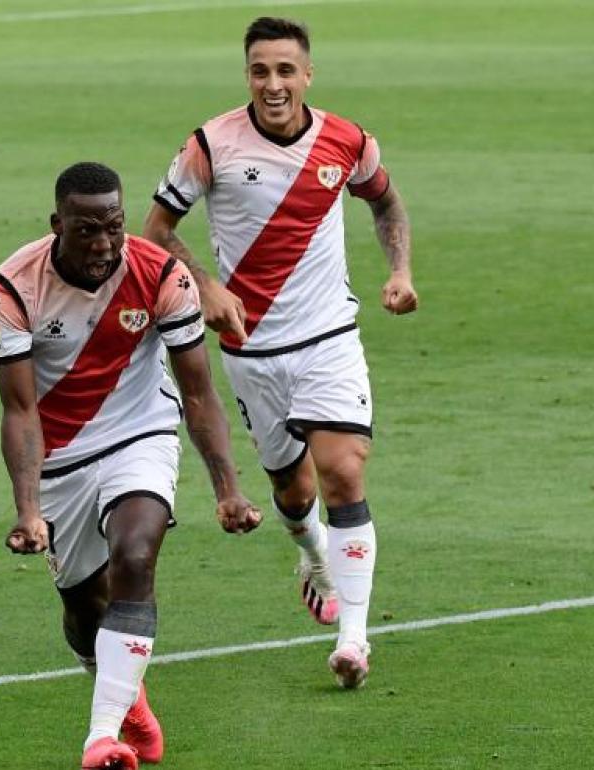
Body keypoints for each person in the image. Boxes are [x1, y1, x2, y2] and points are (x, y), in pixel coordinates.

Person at [142, 16, 418, 690]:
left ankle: (354, 639)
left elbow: (386, 206)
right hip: (252, 350)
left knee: (343, 472)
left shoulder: (347, 140)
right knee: (293, 494)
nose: (273, 83)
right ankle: (314, 555)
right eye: (261, 71)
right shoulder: (211, 145)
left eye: (285, 70)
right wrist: (205, 285)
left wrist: (400, 271)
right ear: (247, 76)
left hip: (329, 338)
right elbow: (154, 233)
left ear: (308, 75)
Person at [0, 161, 261, 769]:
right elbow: (20, 408)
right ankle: (128, 702)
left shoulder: (161, 274)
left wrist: (228, 490)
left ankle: (101, 737)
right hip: (59, 457)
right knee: (86, 613)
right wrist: (28, 511)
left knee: (136, 554)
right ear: (58, 224)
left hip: (141, 431)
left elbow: (198, 392)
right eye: (86, 230)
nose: (103, 244)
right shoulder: (12, 288)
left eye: (113, 226)